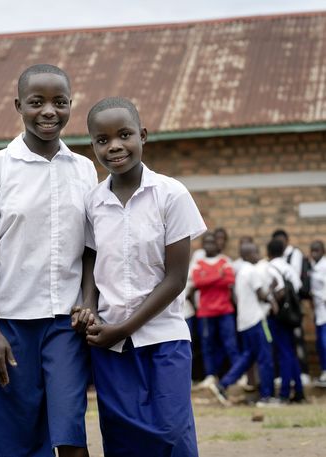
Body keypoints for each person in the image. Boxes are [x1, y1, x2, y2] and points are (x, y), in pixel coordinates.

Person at [0, 64, 97, 457]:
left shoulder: (85, 169)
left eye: (60, 102)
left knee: (71, 434)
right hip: (10, 324)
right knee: (19, 442)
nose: (49, 111)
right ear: (19, 105)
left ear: (72, 104)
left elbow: (89, 250)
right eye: (37, 103)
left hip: (64, 325)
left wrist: (88, 301)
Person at [77, 97, 205, 456]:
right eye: (102, 140)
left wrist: (124, 327)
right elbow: (89, 259)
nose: (115, 146)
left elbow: (176, 278)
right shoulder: (93, 202)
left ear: (143, 136)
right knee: (122, 438)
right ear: (93, 147)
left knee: (171, 434)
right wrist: (88, 304)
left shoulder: (171, 194)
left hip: (163, 338)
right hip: (110, 344)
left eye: (124, 135)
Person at [207, 243, 279, 407]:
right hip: (256, 320)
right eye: (255, 252)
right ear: (247, 255)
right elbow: (261, 295)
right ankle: (266, 396)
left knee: (248, 357)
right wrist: (272, 290)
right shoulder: (251, 271)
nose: (258, 255)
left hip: (244, 322)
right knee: (265, 357)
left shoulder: (240, 272)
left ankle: (223, 384)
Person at [192, 232, 239, 384]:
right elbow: (198, 282)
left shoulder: (225, 261)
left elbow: (230, 280)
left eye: (212, 242)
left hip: (225, 310)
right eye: (206, 243)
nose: (209, 245)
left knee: (230, 344)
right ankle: (211, 376)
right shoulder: (198, 263)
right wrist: (219, 276)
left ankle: (238, 376)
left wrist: (209, 279)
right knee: (207, 345)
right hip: (205, 311)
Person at [266, 239, 305, 403]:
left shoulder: (270, 268)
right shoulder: (288, 267)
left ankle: (283, 394)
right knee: (291, 352)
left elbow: (279, 291)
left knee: (284, 354)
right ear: (283, 251)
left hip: (279, 317)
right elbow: (299, 287)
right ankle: (299, 392)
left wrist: (273, 302)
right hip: (292, 316)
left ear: (268, 252)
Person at [272, 228, 311, 384]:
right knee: (287, 345)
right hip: (286, 307)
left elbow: (296, 285)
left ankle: (302, 373)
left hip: (290, 306)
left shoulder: (295, 255)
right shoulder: (280, 263)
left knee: (295, 341)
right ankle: (292, 379)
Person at [309, 240, 326, 386]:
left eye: (317, 250)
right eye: (312, 251)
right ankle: (323, 371)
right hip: (319, 310)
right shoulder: (314, 266)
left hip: (324, 310)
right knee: (320, 343)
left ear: (323, 251)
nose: (314, 254)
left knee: (324, 342)